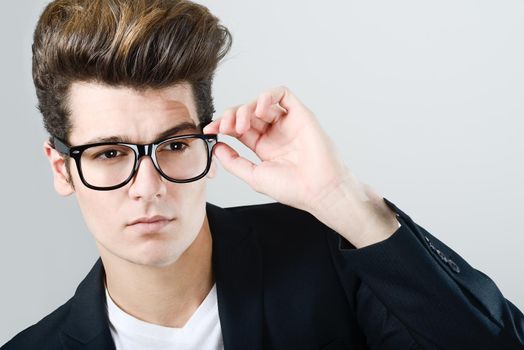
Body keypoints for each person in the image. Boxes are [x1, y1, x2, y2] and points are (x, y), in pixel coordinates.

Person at [2, 0, 523, 349]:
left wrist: (343, 201)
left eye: (176, 145)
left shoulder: (330, 253)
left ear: (209, 143)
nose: (148, 187)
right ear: (63, 169)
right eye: (110, 155)